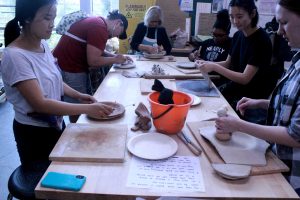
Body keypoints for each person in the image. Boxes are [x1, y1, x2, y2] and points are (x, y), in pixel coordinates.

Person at [0, 0, 113, 169]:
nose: (52, 24)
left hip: (56, 124)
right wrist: (87, 109)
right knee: (45, 184)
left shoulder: (43, 45)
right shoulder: (15, 57)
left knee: (60, 172)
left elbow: (55, 80)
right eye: (47, 18)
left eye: (53, 17)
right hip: (34, 134)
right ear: (27, 18)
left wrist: (78, 95)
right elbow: (41, 104)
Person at [215, 0, 300, 195]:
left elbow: (295, 135)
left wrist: (238, 125)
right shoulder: (297, 61)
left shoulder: (261, 40)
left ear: (252, 14)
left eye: (284, 22)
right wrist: (264, 104)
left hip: (292, 176)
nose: (279, 31)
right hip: (277, 158)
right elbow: (293, 107)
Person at [196, 0, 278, 118]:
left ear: (252, 13)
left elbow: (245, 78)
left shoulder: (261, 40)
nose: (235, 21)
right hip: (235, 92)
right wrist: (207, 63)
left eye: (239, 16)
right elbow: (228, 63)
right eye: (231, 17)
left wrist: (214, 66)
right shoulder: (238, 35)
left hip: (251, 100)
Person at [53, 10, 131, 122]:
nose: (116, 36)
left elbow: (97, 50)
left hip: (67, 64)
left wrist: (114, 56)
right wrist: (115, 60)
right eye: (119, 33)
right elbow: (93, 61)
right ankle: (76, 132)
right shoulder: (99, 27)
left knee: (83, 102)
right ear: (118, 23)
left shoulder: (97, 22)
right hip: (70, 67)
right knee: (77, 107)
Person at [189, 9, 232, 86]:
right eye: (214, 34)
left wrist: (209, 64)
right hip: (202, 78)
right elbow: (191, 55)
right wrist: (193, 56)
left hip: (219, 82)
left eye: (220, 35)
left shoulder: (232, 44)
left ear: (227, 34)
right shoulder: (207, 42)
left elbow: (229, 65)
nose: (216, 37)